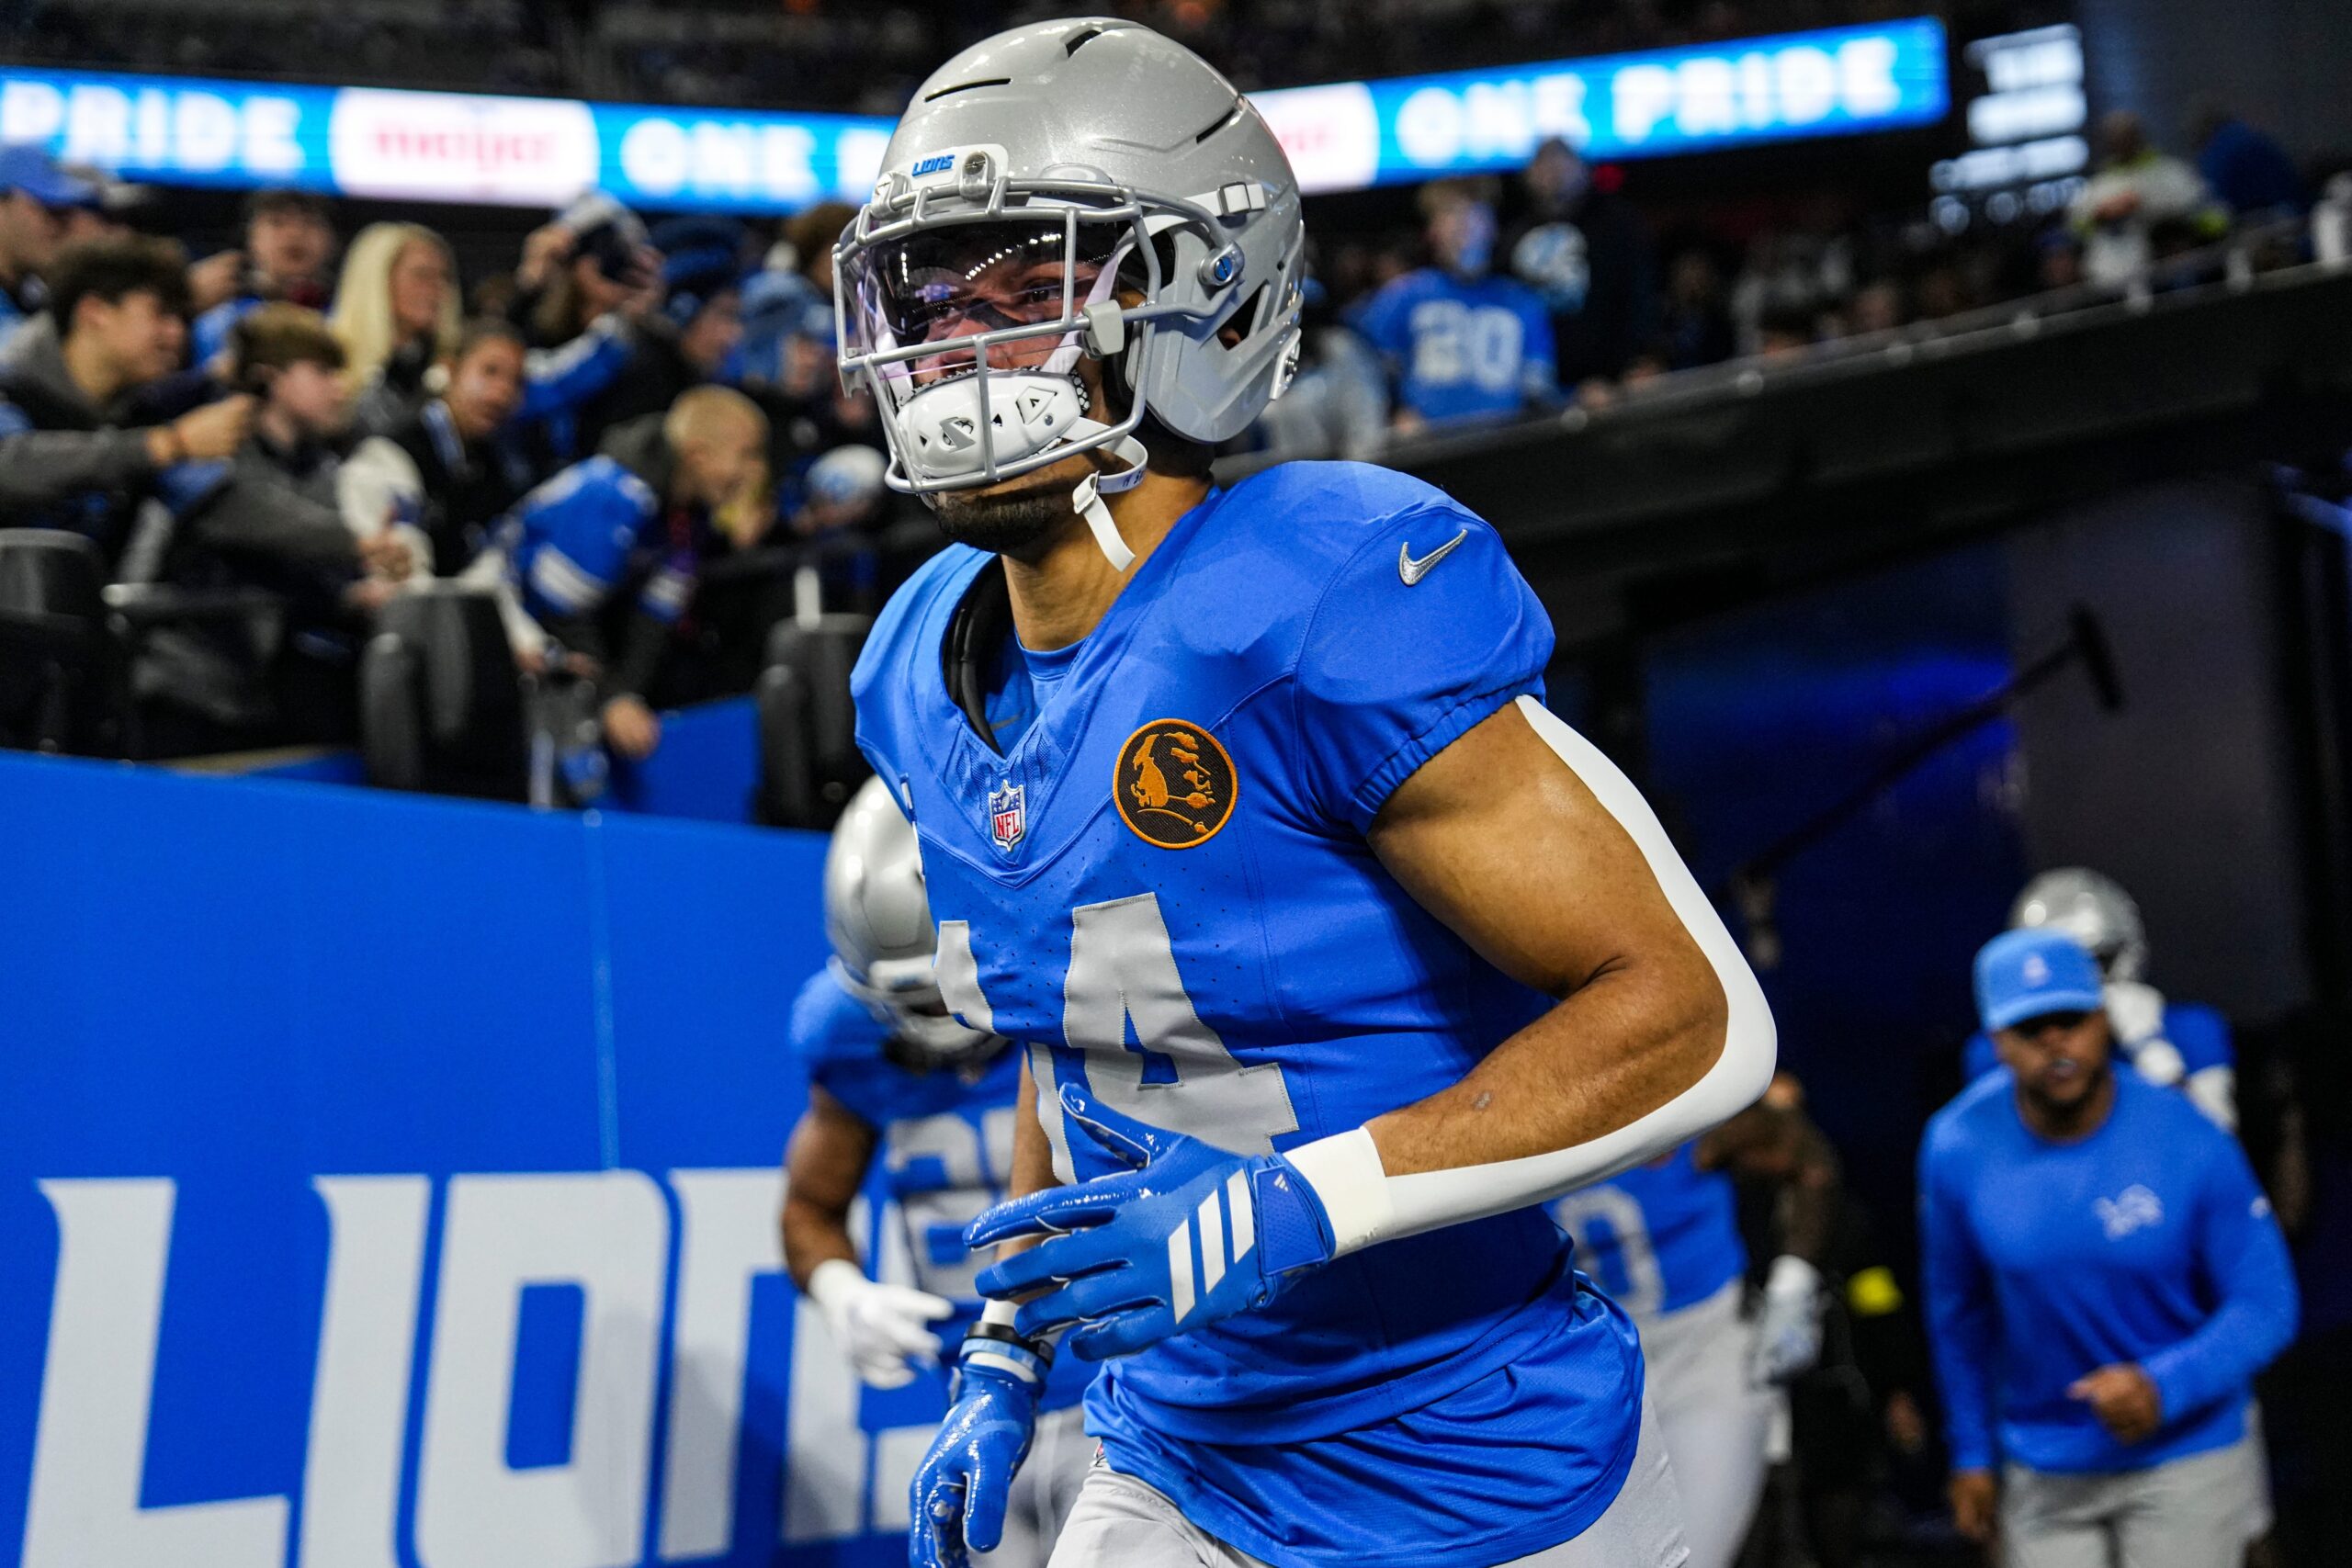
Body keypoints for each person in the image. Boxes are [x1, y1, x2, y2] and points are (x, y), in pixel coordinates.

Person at [838, 22, 1775, 1568]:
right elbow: (1072, 1031)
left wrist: (1298, 1203)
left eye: (1021, 289)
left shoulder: (1317, 593)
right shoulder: (914, 665)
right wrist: (1005, 1346)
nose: (951, 349)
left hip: (1480, 1469)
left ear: (1193, 296)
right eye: (930, 298)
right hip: (1174, 1453)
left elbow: (1693, 1016)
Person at [783, 778, 1094, 1565]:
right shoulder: (848, 1036)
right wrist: (840, 1291)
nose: (945, 1018)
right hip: (980, 1406)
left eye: (957, 986)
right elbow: (810, 1207)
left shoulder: (1086, 989)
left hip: (1121, 1393)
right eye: (919, 997)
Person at [1921, 929, 2296, 1568]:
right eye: (2030, 1027)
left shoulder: (2186, 1133)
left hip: (2185, 1452)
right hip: (2044, 1460)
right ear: (1996, 1041)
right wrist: (1972, 1454)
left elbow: (2267, 1302)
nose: (2055, 1042)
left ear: (2103, 1020)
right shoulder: (1955, 1146)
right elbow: (1958, 1313)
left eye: (2070, 1019)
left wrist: (2164, 1386)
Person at [1551, 1077, 1841, 1568]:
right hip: (1585, 1366)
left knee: (1694, 1553)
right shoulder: (1509, 1128)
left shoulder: (1683, 1113)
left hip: (1704, 1350)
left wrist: (1793, 1284)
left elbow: (1808, 1158)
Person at [130, 302, 409, 752]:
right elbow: (242, 513)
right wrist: (359, 542)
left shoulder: (320, 467)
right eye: (322, 372)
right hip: (177, 689)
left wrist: (352, 597)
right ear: (271, 378)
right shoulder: (209, 443)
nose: (339, 388)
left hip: (258, 695)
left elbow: (297, 575)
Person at [486, 384, 766, 760]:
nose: (754, 472)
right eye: (746, 455)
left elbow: (654, 620)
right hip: (501, 619)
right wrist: (611, 698)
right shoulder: (612, 494)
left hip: (561, 641)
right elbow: (559, 610)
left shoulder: (687, 516)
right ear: (698, 457)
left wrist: (628, 696)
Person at [0, 235, 253, 566]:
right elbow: (11, 467)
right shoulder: (11, 388)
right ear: (95, 312)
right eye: (160, 314)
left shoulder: (135, 412)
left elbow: (216, 503)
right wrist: (164, 445)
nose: (176, 334)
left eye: (180, 318)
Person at [1961, 869, 2238, 1131]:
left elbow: (2214, 1150)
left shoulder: (2191, 1029)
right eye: (2063, 971)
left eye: (2096, 962)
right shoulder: (2001, 1045)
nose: (2085, 986)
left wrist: (2152, 1050)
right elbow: (1997, 1151)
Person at [1351, 179, 1558, 433]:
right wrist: (1394, 412)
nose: (1464, 225)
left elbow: (1539, 391)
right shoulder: (1403, 296)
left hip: (1503, 442)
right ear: (1433, 230)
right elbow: (1366, 372)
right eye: (1451, 214)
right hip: (1429, 442)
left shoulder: (1523, 302)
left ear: (1493, 227)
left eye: (1475, 214)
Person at [334, 318, 535, 577]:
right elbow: (396, 575)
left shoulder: (498, 466)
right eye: (490, 371)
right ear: (450, 370)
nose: (503, 393)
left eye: (517, 382)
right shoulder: (393, 453)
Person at [1503, 139, 1654, 394]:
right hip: (1533, 388)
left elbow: (1637, 297)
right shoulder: (1513, 236)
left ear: (1584, 168)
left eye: (1563, 160)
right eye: (1544, 163)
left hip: (1610, 382)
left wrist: (1630, 364)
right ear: (1528, 175)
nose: (1554, 171)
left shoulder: (1616, 224)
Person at [2068, 112, 2226, 287]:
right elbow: (2077, 227)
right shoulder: (2099, 186)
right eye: (2115, 138)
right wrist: (2102, 216)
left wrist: (2168, 215)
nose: (2122, 143)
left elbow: (2216, 218)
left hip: (2177, 272)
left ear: (2139, 136)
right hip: (2117, 278)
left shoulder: (2171, 173)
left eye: (2127, 135)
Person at [190, 188, 337, 365]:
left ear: (331, 240)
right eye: (277, 222)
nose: (295, 233)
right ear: (251, 237)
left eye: (310, 222)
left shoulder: (346, 316)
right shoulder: (216, 321)